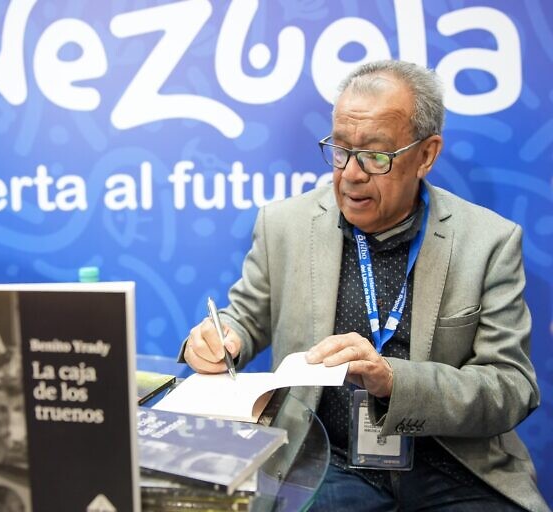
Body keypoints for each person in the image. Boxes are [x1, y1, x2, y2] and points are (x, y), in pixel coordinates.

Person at [182, 60, 547, 511]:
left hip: (451, 466)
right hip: (328, 461)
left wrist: (395, 381)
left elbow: (511, 387)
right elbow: (245, 316)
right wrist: (223, 339)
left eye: (376, 155)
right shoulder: (286, 225)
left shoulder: (488, 242)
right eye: (339, 149)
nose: (351, 174)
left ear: (427, 154)